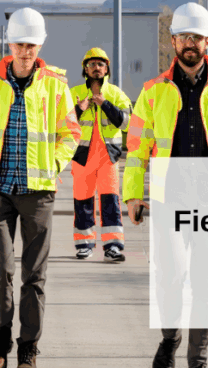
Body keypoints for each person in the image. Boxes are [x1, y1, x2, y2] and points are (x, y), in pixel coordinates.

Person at [123, 2, 208, 368]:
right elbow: (137, 150)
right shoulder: (153, 91)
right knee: (170, 278)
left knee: (205, 284)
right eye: (184, 37)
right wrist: (133, 194)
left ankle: (198, 357)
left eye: (197, 37)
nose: (190, 43)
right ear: (173, 41)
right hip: (170, 201)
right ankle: (171, 339)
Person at [0, 7, 81, 368]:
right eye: (19, 44)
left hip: (38, 192)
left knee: (34, 274)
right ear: (8, 44)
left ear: (39, 45)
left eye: (31, 45)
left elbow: (72, 134)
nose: (25, 51)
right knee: (0, 269)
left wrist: (53, 163)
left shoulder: (56, 86)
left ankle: (28, 348)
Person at [69, 47, 132, 262]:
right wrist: (78, 109)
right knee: (83, 201)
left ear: (107, 70)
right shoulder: (74, 93)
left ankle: (112, 246)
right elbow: (61, 124)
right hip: (82, 157)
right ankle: (84, 245)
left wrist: (105, 104)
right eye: (92, 64)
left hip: (108, 158)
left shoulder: (115, 93)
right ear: (85, 69)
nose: (97, 68)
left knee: (110, 202)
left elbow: (126, 123)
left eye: (101, 64)